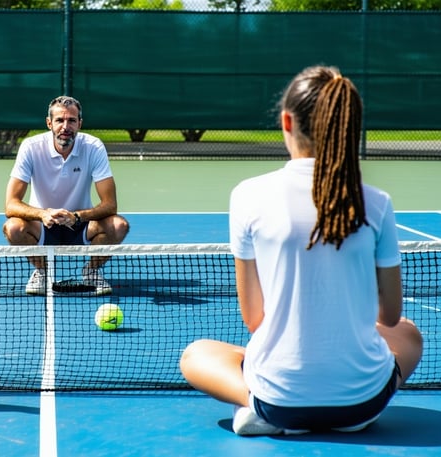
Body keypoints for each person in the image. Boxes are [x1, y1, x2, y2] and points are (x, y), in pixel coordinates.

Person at [178, 66, 423, 435]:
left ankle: (254, 406)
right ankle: (342, 415)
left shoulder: (247, 195)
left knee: (196, 355)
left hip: (279, 402)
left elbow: (254, 318)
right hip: (362, 405)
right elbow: (389, 317)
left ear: (287, 122)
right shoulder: (377, 202)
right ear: (348, 126)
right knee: (409, 333)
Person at [3, 96, 129, 295]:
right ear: (49, 123)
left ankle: (91, 271)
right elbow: (11, 205)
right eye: (60, 120)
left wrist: (77, 217)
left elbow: (110, 205)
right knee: (13, 228)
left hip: (81, 225)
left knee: (119, 225)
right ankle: (42, 271)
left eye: (71, 120)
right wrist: (43, 214)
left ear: (80, 123)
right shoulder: (31, 147)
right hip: (42, 226)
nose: (65, 126)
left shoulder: (93, 147)